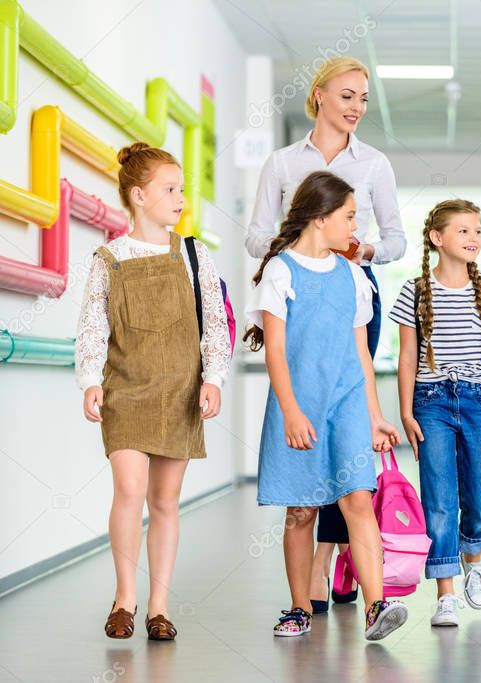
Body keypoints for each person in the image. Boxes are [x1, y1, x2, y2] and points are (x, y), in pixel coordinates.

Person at [245, 56, 407, 609]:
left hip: (352, 292)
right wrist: (292, 253)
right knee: (310, 428)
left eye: (363, 98)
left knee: (350, 428)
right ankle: (312, 574)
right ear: (317, 96)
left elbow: (396, 241)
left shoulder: (375, 164)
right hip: (295, 296)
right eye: (347, 96)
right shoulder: (283, 163)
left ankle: (331, 560)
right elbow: (256, 236)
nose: (357, 107)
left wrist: (358, 251)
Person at [76, 142, 231, 641]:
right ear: (139, 196)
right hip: (125, 392)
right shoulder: (108, 258)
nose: (180, 198)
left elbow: (214, 324)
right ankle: (125, 597)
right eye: (170, 189)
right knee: (130, 490)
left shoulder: (192, 254)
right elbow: (92, 326)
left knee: (166, 501)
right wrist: (90, 380)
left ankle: (159, 607)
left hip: (180, 391)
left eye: (182, 189)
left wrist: (213, 377)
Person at [389, 199, 481, 628]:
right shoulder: (414, 291)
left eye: (478, 230)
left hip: (477, 400)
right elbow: (407, 355)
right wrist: (405, 411)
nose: (474, 238)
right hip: (430, 400)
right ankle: (446, 592)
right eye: (464, 231)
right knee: (439, 498)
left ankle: (475, 556)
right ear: (437, 238)